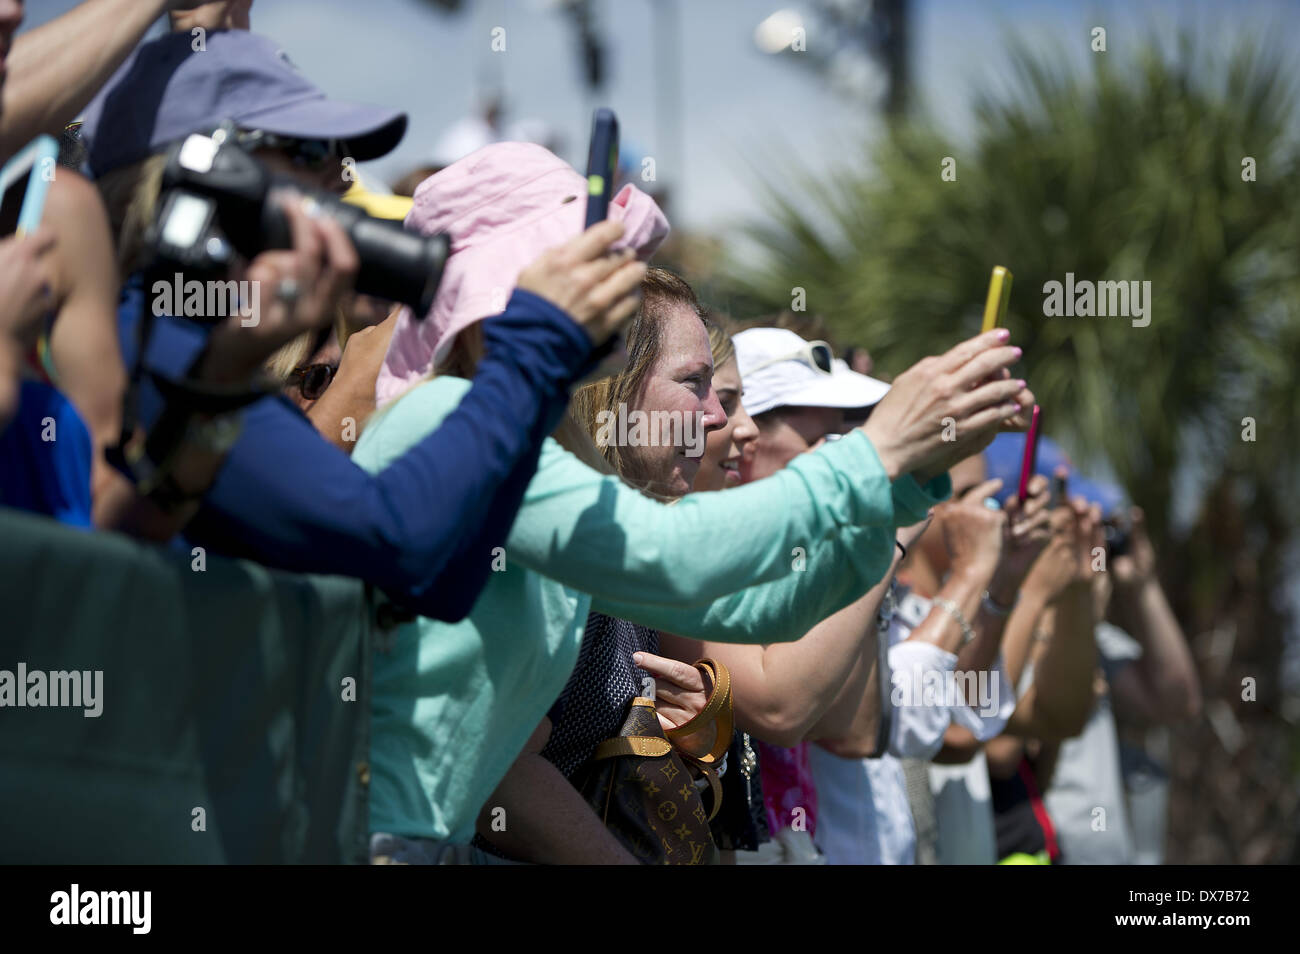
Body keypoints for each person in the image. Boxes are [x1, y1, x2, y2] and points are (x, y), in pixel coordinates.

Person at [75, 31, 640, 622]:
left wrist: (546, 378)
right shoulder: (160, 342)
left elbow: (441, 585)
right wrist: (535, 343)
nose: (343, 178)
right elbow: (398, 544)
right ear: (201, 171)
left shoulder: (203, 348)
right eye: (308, 153)